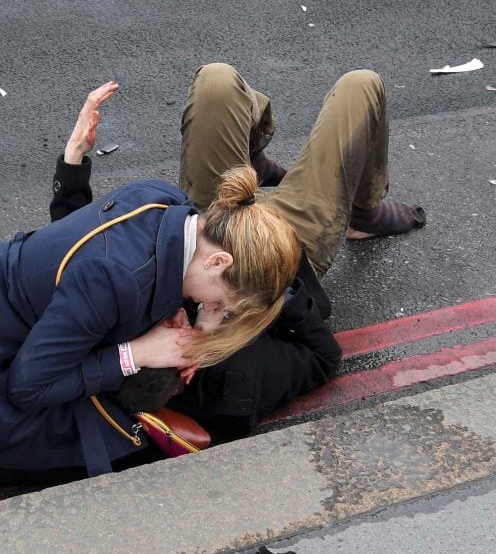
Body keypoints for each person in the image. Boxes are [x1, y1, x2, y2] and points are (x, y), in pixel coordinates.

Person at [0, 81, 301, 486]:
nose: (212, 313)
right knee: (101, 441)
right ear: (219, 260)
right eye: (221, 304)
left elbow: (78, 252)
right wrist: (135, 354)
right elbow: (28, 387)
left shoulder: (163, 201)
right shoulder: (116, 280)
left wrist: (73, 165)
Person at [49, 64, 425, 439]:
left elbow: (78, 259)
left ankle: (252, 163)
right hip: (290, 243)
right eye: (179, 327)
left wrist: (73, 163)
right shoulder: (236, 389)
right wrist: (275, 287)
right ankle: (361, 210)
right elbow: (324, 357)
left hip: (214, 221)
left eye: (160, 326)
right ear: (189, 368)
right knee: (361, 85)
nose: (176, 313)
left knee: (217, 81)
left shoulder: (122, 331)